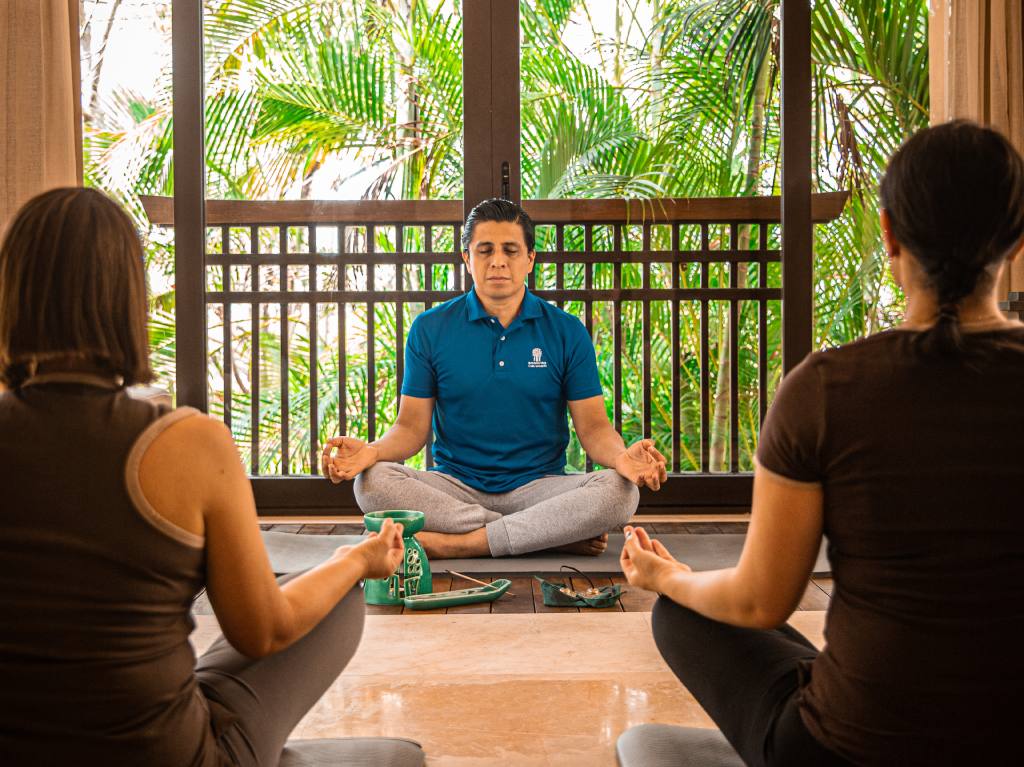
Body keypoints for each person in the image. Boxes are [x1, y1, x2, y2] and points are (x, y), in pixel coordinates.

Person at [620, 120, 1024, 766]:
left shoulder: (825, 389)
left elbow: (761, 598)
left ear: (889, 234)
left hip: (845, 750)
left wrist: (669, 577)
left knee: (682, 610)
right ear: (1016, 238)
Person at [0, 188, 406, 766]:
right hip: (168, 757)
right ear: (126, 298)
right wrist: (356, 560)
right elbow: (262, 632)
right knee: (335, 592)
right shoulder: (186, 443)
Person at [323, 198, 667, 559]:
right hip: (455, 487)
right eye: (484, 250)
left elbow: (595, 430)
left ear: (530, 259)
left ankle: (463, 544)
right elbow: (411, 429)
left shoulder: (567, 331)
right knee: (372, 482)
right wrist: (371, 452)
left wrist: (622, 459)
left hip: (540, 487)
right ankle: (543, 534)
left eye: (511, 250)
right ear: (466, 258)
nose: (498, 261)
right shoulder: (430, 328)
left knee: (620, 491)